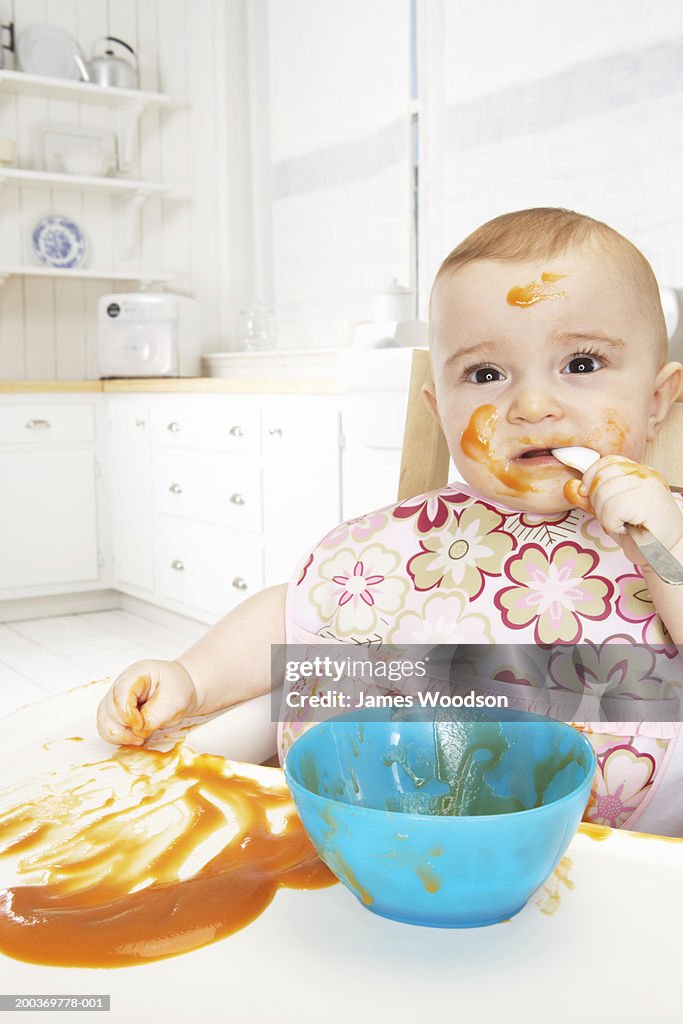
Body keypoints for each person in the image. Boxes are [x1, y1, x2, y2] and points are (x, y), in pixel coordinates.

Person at [98, 207, 683, 836]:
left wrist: (665, 544)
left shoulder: (664, 535)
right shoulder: (407, 544)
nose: (533, 405)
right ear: (439, 406)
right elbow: (293, 615)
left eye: (582, 364)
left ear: (656, 402)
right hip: (393, 838)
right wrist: (193, 677)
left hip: (614, 863)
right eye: (484, 374)